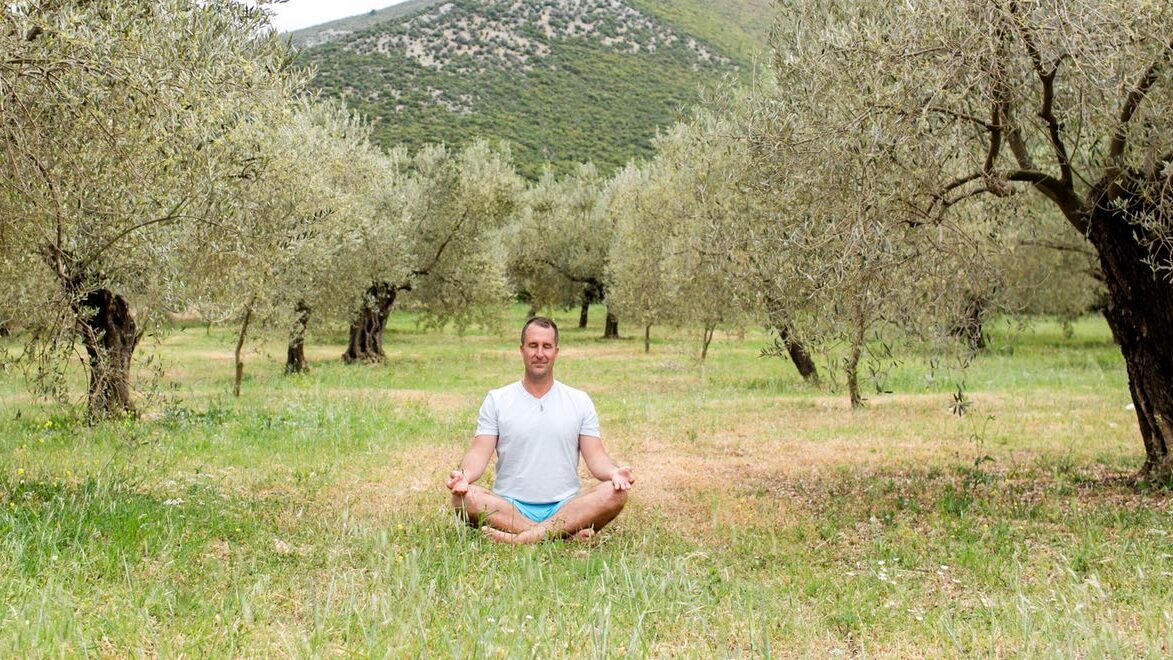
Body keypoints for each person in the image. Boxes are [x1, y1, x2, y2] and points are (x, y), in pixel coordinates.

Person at [446, 316, 634, 544]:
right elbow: (478, 452)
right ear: (522, 350)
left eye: (547, 346)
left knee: (615, 494)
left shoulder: (579, 400)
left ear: (556, 351)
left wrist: (614, 473)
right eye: (533, 345)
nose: (539, 353)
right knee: (463, 500)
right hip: (510, 507)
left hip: (565, 507)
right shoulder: (497, 399)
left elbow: (596, 457)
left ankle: (519, 540)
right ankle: (559, 536)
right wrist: (463, 477)